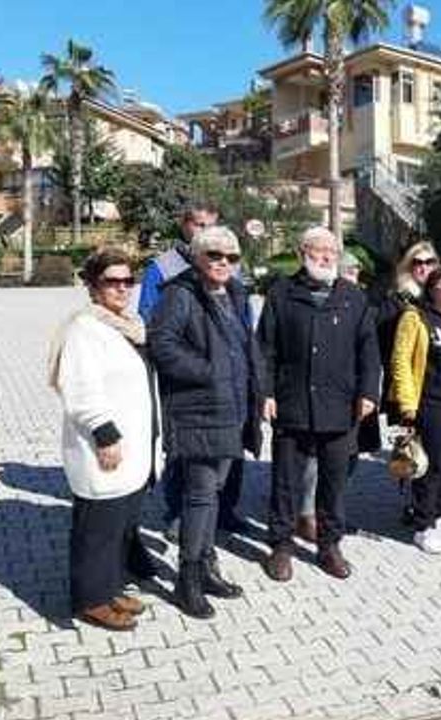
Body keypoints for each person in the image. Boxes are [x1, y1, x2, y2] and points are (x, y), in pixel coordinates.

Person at [259, 226, 380, 582]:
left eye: (332, 251)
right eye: (318, 250)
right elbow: (264, 349)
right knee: (285, 481)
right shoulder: (281, 293)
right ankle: (281, 546)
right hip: (292, 403)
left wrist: (368, 392)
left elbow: (368, 351)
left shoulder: (352, 296)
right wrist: (265, 393)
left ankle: (329, 546)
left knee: (333, 482)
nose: (327, 256)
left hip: (340, 405)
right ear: (302, 253)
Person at [148, 226, 257, 619]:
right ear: (197, 257)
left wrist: (257, 390)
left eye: (231, 257)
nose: (223, 263)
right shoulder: (180, 294)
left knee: (215, 492)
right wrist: (208, 371)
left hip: (231, 410)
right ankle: (187, 579)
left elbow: (245, 347)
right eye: (215, 255)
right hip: (199, 410)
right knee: (199, 495)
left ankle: (208, 566)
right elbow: (162, 344)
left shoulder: (234, 293)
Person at [49, 248, 158, 631]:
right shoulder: (84, 329)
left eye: (128, 281)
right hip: (103, 444)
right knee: (97, 527)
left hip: (133, 443)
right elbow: (80, 387)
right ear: (94, 286)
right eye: (112, 281)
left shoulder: (127, 324)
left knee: (120, 524)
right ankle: (90, 601)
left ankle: (110, 588)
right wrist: (104, 433)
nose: (122, 288)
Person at [138, 205, 248, 539]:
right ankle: (178, 513)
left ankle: (224, 511)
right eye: (199, 224)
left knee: (230, 448)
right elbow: (152, 322)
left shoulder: (229, 267)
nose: (205, 230)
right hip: (191, 387)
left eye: (211, 224)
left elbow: (244, 323)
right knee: (186, 454)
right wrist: (203, 367)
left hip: (230, 384)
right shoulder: (163, 268)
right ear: (184, 225)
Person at [390, 268, 441, 553]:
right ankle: (423, 525)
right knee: (430, 465)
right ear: (431, 289)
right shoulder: (416, 317)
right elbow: (401, 360)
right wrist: (406, 404)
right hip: (430, 403)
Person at [374, 242, 440, 525]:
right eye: (417, 262)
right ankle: (415, 504)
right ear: (408, 266)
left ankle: (428, 502)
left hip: (438, 385)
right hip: (408, 387)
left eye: (429, 262)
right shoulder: (397, 301)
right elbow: (384, 346)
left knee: (435, 448)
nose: (423, 267)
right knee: (413, 447)